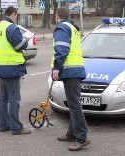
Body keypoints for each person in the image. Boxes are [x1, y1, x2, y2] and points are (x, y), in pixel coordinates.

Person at [51, 7, 90, 151]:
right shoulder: (73, 28)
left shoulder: (61, 28)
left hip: (70, 71)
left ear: (57, 16)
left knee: (74, 105)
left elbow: (62, 50)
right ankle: (71, 133)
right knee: (73, 104)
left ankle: (81, 137)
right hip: (76, 70)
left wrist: (56, 68)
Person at [0, 6, 31, 135]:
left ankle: (3, 125)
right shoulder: (11, 27)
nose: (16, 18)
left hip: (1, 67)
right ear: (13, 14)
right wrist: (26, 40)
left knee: (3, 98)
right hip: (12, 67)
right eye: (16, 16)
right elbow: (19, 45)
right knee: (14, 99)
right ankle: (16, 128)